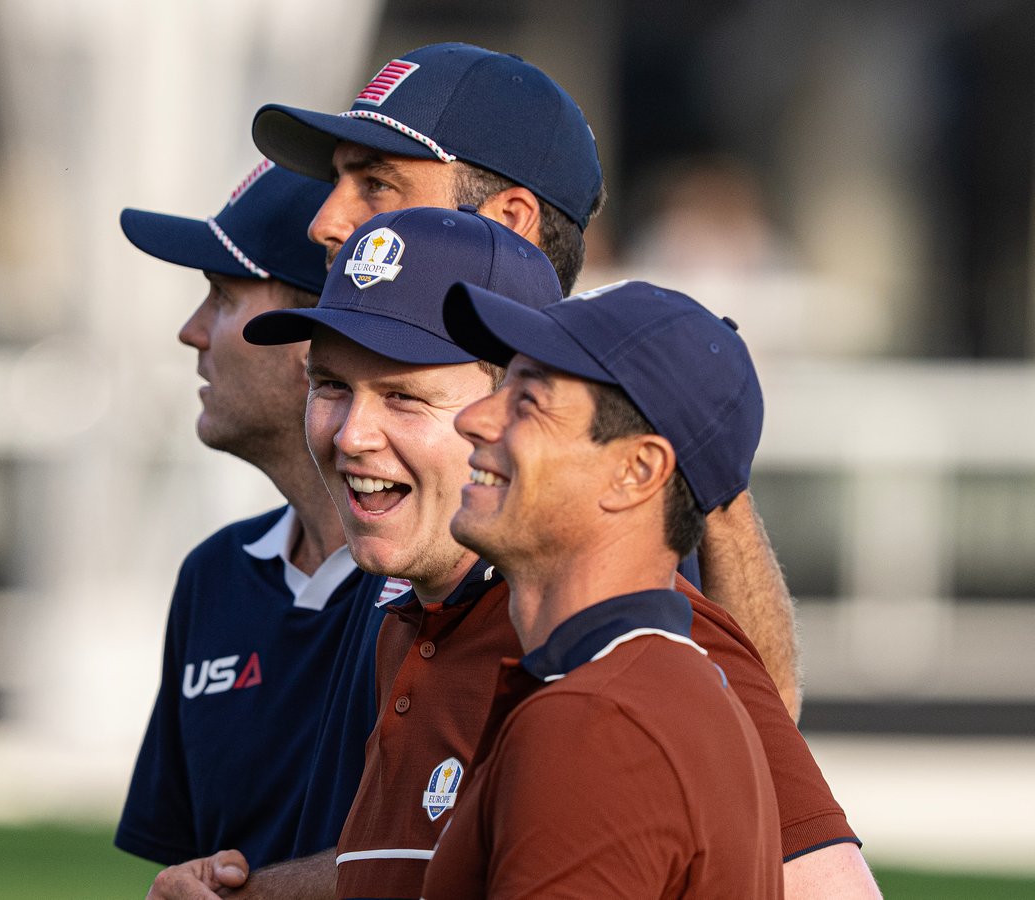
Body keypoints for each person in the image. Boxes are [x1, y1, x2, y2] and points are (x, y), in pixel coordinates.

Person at [145, 207, 873, 899]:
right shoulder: (407, 624)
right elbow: (428, 871)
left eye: (405, 397)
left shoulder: (622, 683)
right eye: (330, 385)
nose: (350, 435)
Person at [251, 41, 802, 718]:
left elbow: (752, 742)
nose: (325, 222)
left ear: (510, 222)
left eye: (377, 183)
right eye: (333, 386)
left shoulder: (602, 476)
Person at [421, 278, 784, 898]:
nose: (472, 419)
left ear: (636, 471)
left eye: (528, 401)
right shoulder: (659, 692)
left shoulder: (597, 725)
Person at [114, 160, 401, 869]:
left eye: (220, 295)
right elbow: (181, 870)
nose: (192, 331)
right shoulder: (213, 575)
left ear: (314, 338)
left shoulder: (447, 581)